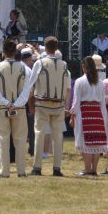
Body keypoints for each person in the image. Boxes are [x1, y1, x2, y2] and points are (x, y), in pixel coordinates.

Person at [27, 36, 70, 177]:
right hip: (58, 105)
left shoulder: (40, 63)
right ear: (56, 48)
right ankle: (57, 168)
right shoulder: (64, 65)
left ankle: (37, 167)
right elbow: (67, 87)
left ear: (45, 48)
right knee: (58, 136)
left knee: (39, 134)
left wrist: (30, 104)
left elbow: (31, 85)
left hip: (42, 104)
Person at [0, 40, 30, 178]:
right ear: (15, 52)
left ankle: (5, 170)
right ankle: (21, 170)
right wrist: (16, 103)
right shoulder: (25, 68)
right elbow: (27, 90)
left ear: (3, 52)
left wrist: (6, 103)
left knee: (3, 139)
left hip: (3, 108)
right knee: (20, 139)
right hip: (20, 108)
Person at [71, 56, 108, 176]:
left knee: (86, 143)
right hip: (97, 114)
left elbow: (76, 101)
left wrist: (72, 115)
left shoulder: (79, 81)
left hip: (84, 114)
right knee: (96, 143)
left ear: (83, 67)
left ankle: (88, 170)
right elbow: (102, 103)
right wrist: (103, 118)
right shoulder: (100, 82)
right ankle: (94, 170)